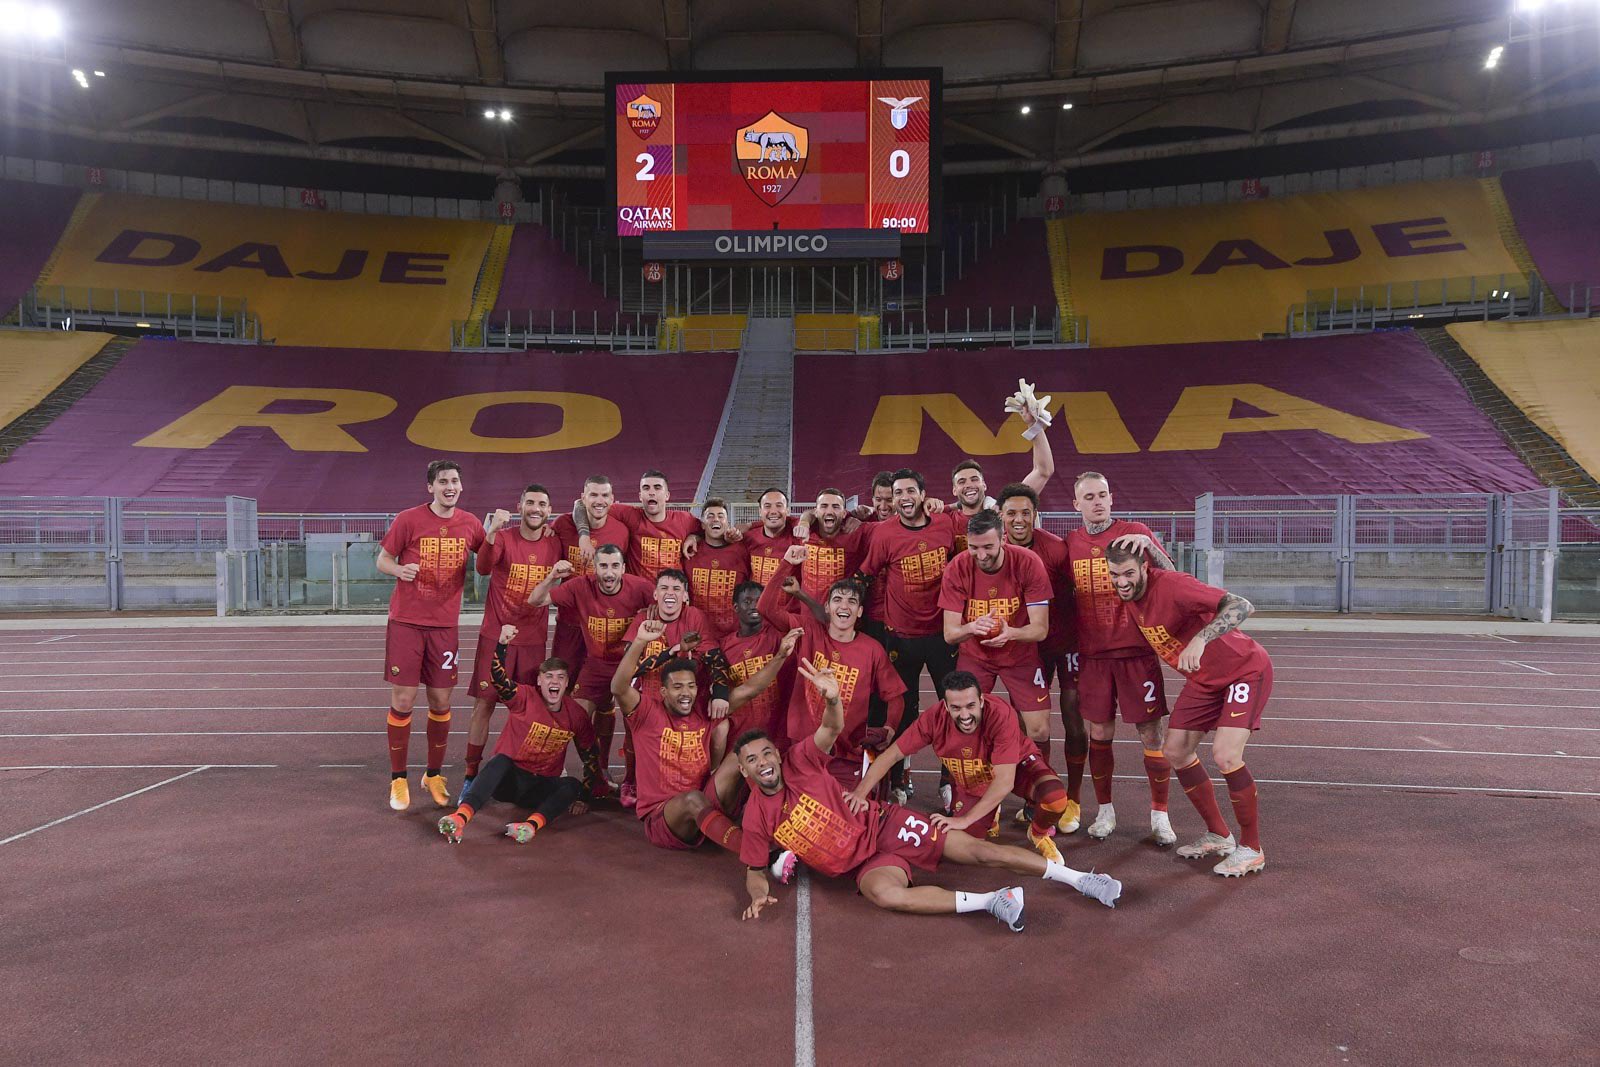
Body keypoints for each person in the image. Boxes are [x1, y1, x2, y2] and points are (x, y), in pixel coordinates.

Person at [735, 658, 1123, 930]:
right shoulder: (755, 815)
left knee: (980, 851)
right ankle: (993, 901)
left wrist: (833, 699)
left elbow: (830, 729)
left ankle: (1081, 880)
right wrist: (757, 894)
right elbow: (754, 870)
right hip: (861, 864)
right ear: (744, 770)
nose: (763, 762)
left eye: (767, 753)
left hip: (888, 825)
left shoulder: (801, 760)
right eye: (753, 759)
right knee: (887, 897)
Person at [1106, 544, 1272, 876]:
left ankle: (1252, 848)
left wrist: (1201, 639)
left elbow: (1242, 605)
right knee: (1176, 751)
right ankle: (1219, 835)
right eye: (1114, 574)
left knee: (1226, 756)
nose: (1121, 581)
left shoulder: (1170, 585)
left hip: (1243, 670)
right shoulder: (1135, 593)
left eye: (1128, 573)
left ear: (1144, 568)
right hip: (1204, 681)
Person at [611, 617, 801, 852]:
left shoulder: (703, 710)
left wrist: (780, 656)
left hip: (706, 801)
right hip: (665, 816)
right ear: (663, 691)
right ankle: (757, 851)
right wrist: (640, 641)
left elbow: (751, 689)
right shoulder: (647, 713)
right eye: (677, 687)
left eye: (691, 686)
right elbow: (618, 687)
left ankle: (780, 821)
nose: (686, 693)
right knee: (693, 799)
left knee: (744, 753)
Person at [848, 672, 1076, 863]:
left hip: (1013, 767)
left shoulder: (1000, 714)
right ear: (945, 706)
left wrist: (964, 819)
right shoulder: (933, 719)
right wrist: (859, 793)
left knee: (1055, 798)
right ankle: (988, 811)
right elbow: (892, 754)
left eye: (970, 706)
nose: (965, 715)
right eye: (956, 708)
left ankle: (1037, 833)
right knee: (963, 849)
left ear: (982, 701)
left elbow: (1005, 781)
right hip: (975, 779)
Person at [1066, 471, 1177, 845]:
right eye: (1089, 497)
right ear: (1076, 504)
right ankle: (1105, 810)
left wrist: (1150, 545)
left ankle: (1160, 814)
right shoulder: (1071, 543)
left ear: (1111, 498)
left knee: (1151, 733)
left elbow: (1172, 577)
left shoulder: (1135, 532)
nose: (1097, 502)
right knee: (1099, 733)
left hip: (1136, 652)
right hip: (1094, 656)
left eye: (1102, 495)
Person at [375, 459, 486, 811]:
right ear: (430, 487)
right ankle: (398, 779)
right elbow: (382, 560)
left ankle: (433, 775)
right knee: (404, 700)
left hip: (445, 626)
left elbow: (489, 559)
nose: (449, 487)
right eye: (443, 481)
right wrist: (399, 569)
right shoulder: (408, 519)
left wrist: (500, 531)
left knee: (440, 701)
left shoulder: (471, 524)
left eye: (454, 481)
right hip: (406, 623)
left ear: (461, 486)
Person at [760, 545, 905, 788]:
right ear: (827, 608)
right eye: (837, 600)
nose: (844, 607)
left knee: (847, 807)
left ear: (860, 611)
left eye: (851, 602)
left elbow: (896, 697)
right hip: (803, 744)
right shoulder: (808, 630)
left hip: (847, 752)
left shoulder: (872, 649)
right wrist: (786, 564)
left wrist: (889, 729)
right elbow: (765, 608)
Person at [437, 629, 601, 844]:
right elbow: (499, 680)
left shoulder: (577, 715)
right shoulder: (524, 696)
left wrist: (585, 798)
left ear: (566, 683)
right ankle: (460, 818)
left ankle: (530, 826)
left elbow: (590, 755)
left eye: (560, 677)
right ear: (539, 681)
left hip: (540, 786)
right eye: (549, 677)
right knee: (499, 761)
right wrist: (502, 645)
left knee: (572, 785)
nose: (555, 682)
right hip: (509, 782)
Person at [856, 468, 960, 801]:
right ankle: (899, 779)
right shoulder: (884, 533)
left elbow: (980, 515)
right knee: (903, 712)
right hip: (900, 637)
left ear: (923, 494)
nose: (904, 498)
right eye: (898, 492)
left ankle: (951, 781)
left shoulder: (945, 523)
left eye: (910, 491)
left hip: (943, 635)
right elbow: (865, 575)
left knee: (953, 708)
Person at [462, 484, 565, 798]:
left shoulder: (555, 542)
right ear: (519, 506)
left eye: (542, 504)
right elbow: (482, 568)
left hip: (533, 640)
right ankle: (470, 776)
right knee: (484, 705)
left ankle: (526, 772)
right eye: (530, 502)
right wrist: (492, 530)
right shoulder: (504, 537)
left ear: (549, 511)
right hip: (496, 636)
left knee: (530, 710)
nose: (536, 509)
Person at [997, 482, 1085, 834]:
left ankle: (1073, 799)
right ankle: (1038, 796)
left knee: (1073, 714)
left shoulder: (1055, 549)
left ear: (1036, 515)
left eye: (1026, 513)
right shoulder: (995, 550)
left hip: (1065, 642)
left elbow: (1080, 589)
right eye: (1012, 513)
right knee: (1028, 725)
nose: (1019, 520)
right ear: (1001, 516)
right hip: (1029, 646)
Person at [530, 545, 654, 794]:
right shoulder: (580, 585)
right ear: (594, 568)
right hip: (596, 664)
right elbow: (536, 600)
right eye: (603, 566)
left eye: (614, 566)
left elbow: (674, 606)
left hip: (629, 666)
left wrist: (655, 612)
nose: (609, 573)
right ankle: (577, 772)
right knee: (575, 716)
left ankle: (631, 780)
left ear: (623, 568)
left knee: (635, 722)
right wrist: (552, 577)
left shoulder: (641, 587)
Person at [938, 508, 1052, 753]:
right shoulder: (957, 568)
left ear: (1003, 539)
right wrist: (972, 627)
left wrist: (1011, 633)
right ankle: (978, 773)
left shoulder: (1028, 562)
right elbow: (950, 634)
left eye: (988, 547)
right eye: (973, 547)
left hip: (1020, 656)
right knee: (964, 723)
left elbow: (1040, 629)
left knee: (1039, 729)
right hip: (975, 657)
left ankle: (1035, 774)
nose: (981, 555)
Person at [615, 568, 717, 807]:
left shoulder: (695, 617)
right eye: (664, 588)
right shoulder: (644, 620)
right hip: (649, 698)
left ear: (685, 596)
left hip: (681, 698)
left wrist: (718, 692)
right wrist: (672, 651)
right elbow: (630, 669)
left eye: (676, 589)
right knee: (634, 738)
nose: (669, 593)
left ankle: (704, 781)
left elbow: (708, 660)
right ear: (655, 594)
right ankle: (631, 780)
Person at [550, 475, 631, 681]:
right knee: (563, 681)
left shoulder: (621, 531)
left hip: (603, 624)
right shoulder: (562, 524)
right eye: (593, 495)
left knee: (601, 688)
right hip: (570, 621)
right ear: (583, 497)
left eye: (604, 495)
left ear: (612, 499)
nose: (599, 500)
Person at [948, 404, 1055, 550]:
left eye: (974, 479)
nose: (969, 485)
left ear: (984, 485)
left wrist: (1033, 425)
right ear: (954, 490)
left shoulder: (1003, 511)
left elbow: (1043, 471)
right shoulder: (946, 519)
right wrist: (947, 506)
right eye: (962, 481)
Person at [575, 469, 701, 583]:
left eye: (657, 488)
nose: (651, 492)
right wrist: (584, 537)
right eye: (646, 488)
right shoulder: (631, 515)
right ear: (640, 496)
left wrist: (694, 537)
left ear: (667, 495)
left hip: (670, 594)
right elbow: (580, 504)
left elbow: (708, 530)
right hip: (639, 594)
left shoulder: (684, 519)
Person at [791, 487, 875, 604]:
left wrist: (872, 509)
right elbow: (776, 519)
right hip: (807, 612)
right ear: (816, 512)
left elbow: (888, 521)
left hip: (842, 611)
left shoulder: (856, 531)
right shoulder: (802, 530)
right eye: (824, 506)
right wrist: (804, 521)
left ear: (844, 513)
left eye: (835, 507)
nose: (829, 511)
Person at [684, 497, 750, 637]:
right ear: (702, 525)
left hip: (733, 633)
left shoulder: (742, 551)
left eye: (721, 516)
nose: (716, 519)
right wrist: (694, 537)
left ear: (727, 523)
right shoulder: (690, 550)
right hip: (698, 633)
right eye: (710, 516)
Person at [740, 486, 795, 587]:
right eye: (767, 506)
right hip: (757, 597)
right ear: (760, 511)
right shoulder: (747, 538)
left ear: (787, 510)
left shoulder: (798, 538)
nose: (773, 511)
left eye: (779, 505)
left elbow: (811, 515)